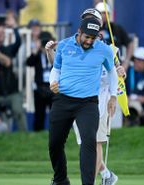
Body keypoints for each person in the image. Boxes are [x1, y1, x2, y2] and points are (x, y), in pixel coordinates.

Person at [45, 8, 122, 184]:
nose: (89, 41)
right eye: (86, 37)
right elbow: (56, 69)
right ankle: (60, 179)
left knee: (89, 142)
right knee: (54, 144)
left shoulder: (104, 50)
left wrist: (113, 96)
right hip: (63, 100)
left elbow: (112, 73)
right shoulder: (64, 45)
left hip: (87, 103)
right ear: (79, 32)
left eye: (93, 38)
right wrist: (53, 83)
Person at [26, 31, 54, 131]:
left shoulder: (54, 52)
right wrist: (36, 49)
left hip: (53, 86)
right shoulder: (37, 54)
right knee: (39, 114)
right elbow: (28, 63)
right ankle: (38, 132)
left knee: (55, 114)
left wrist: (51, 49)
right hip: (40, 87)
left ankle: (56, 133)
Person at [95, 2, 134, 71]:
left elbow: (130, 43)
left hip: (115, 67)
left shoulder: (116, 28)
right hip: (98, 67)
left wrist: (126, 61)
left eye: (106, 13)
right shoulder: (92, 29)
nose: (104, 15)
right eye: (101, 13)